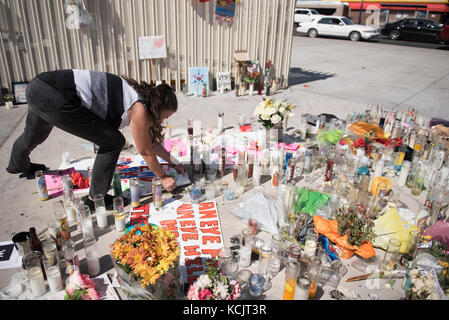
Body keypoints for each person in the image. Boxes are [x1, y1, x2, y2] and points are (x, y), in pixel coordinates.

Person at [6, 69, 186, 209]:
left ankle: (17, 165)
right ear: (157, 107)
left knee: (34, 135)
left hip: (38, 86)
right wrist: (162, 177)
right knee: (113, 142)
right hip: (57, 96)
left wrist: (173, 161)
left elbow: (151, 142)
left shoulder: (134, 94)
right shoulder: (140, 109)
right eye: (164, 116)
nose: (163, 120)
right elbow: (145, 150)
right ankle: (95, 199)